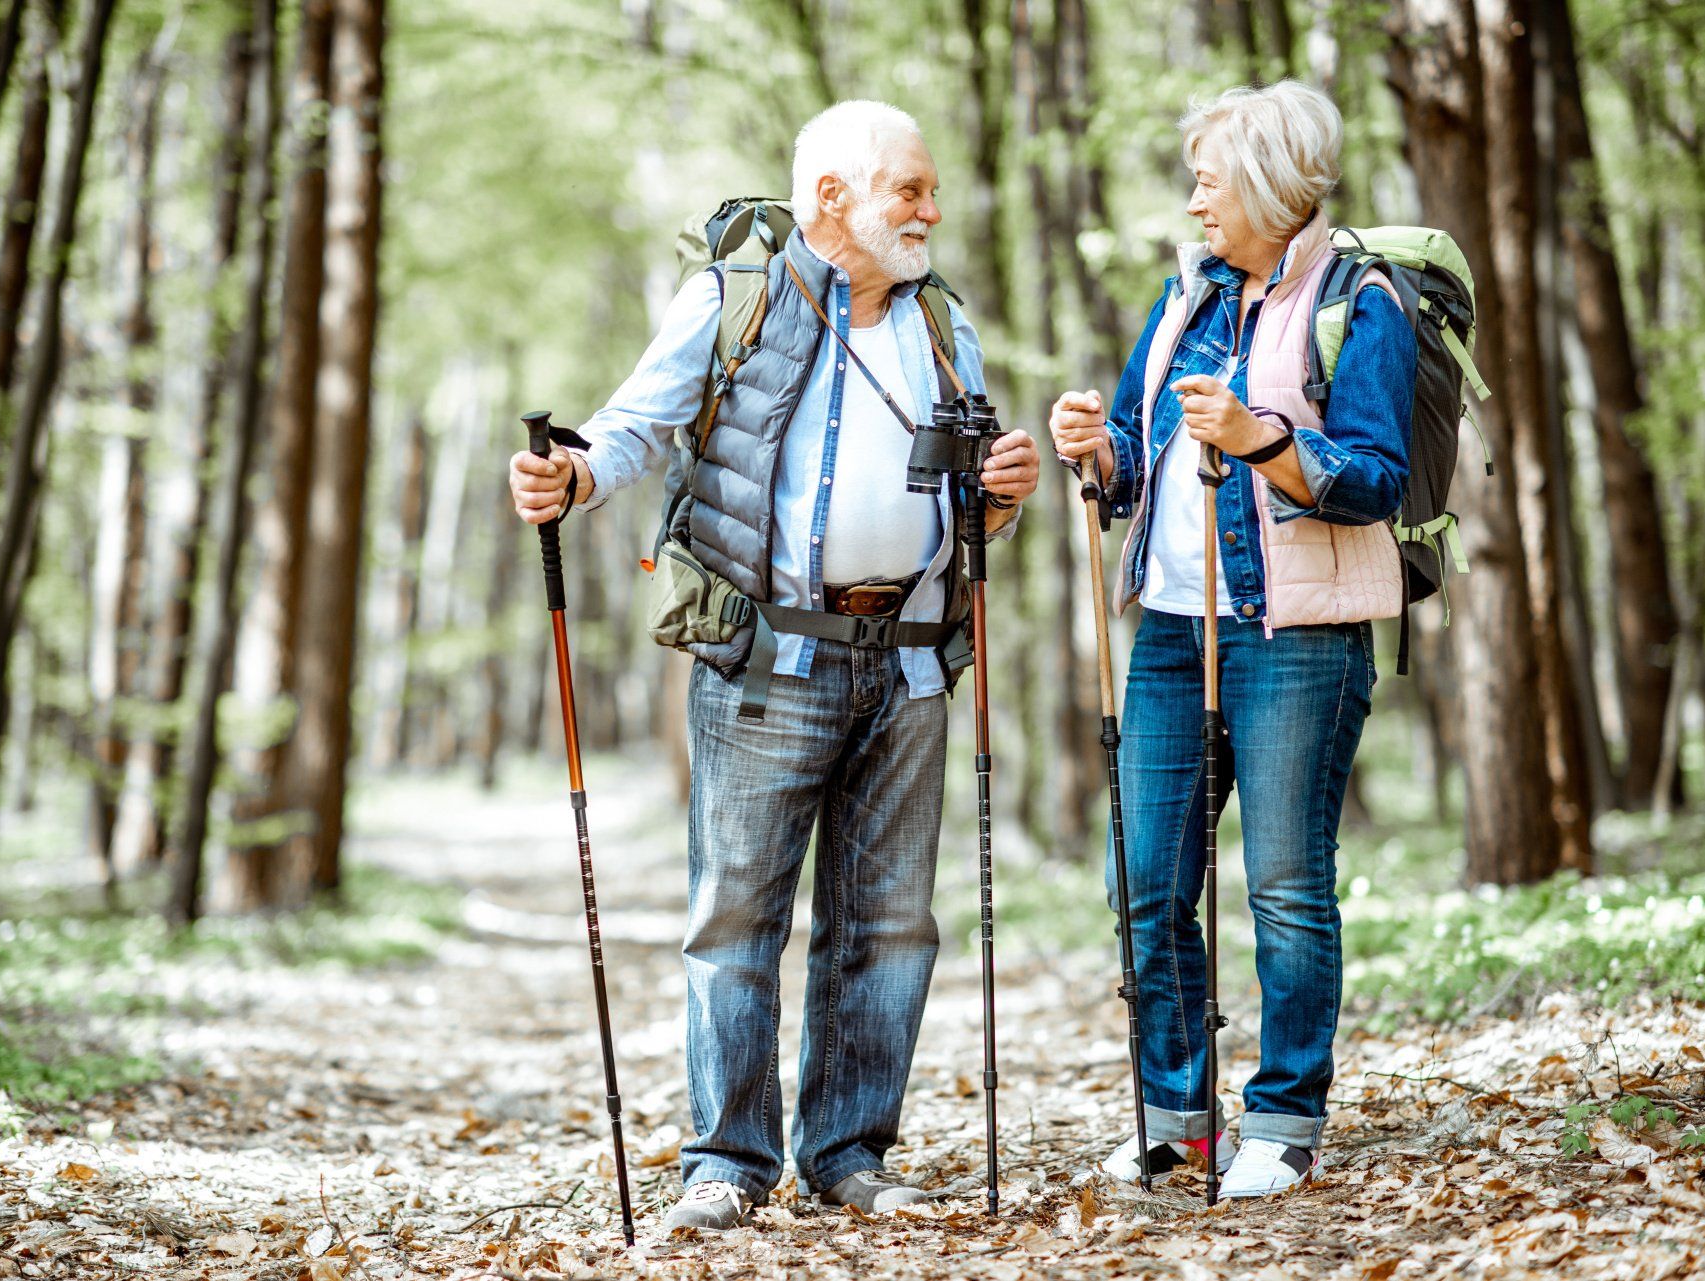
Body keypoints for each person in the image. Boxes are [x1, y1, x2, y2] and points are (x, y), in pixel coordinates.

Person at [509, 100, 1040, 1233]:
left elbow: (972, 502)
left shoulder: (945, 321)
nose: (932, 211)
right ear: (832, 197)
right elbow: (635, 427)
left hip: (910, 666)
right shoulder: (731, 300)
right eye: (911, 189)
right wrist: (573, 477)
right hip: (769, 660)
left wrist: (1001, 493)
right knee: (737, 916)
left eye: (932, 189)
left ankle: (850, 1153)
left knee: (890, 923)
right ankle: (727, 1163)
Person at [1048, 80, 1414, 1199]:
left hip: (1292, 636)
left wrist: (1263, 440)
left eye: (1210, 179)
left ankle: (1285, 1123)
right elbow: (1133, 443)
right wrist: (1094, 449)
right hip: (1168, 628)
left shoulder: (1364, 300)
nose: (1198, 200)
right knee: (1148, 885)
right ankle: (1177, 1119)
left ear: (1263, 183)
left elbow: (1374, 478)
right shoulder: (1188, 295)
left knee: (1286, 887)